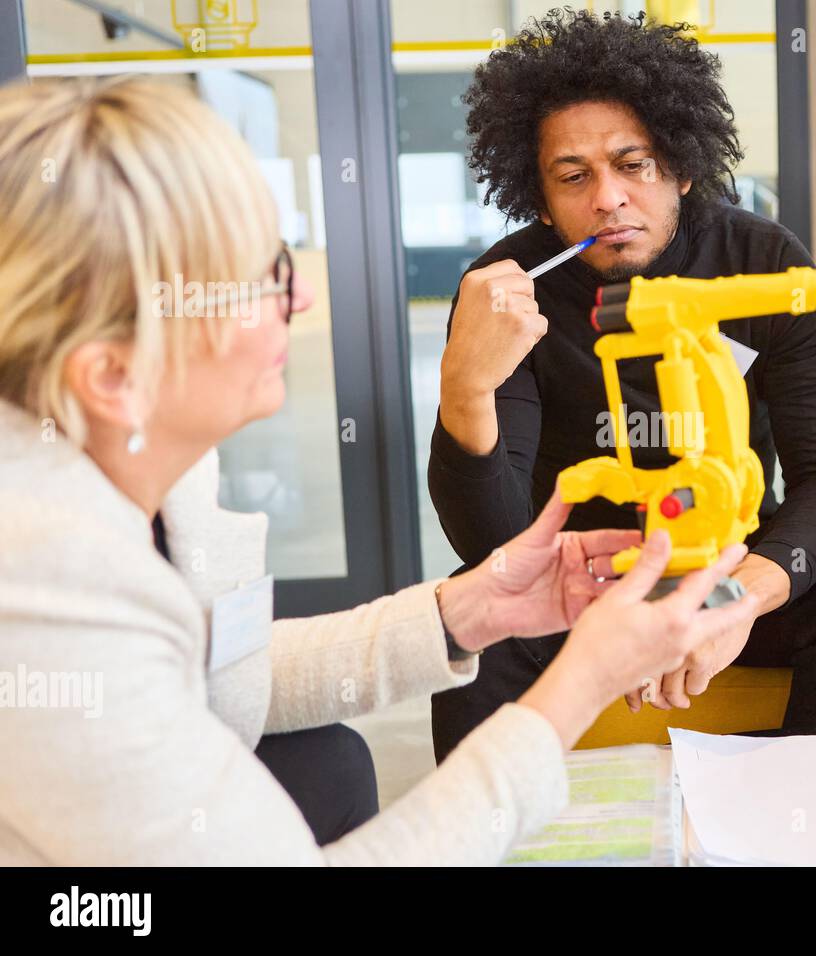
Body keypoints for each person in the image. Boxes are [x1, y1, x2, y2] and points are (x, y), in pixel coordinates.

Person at [0, 76, 759, 864]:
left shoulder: (151, 471)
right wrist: (584, 681)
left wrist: (471, 609)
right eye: (260, 283)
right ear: (113, 375)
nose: (295, 305)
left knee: (320, 762)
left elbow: (224, 673)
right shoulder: (46, 592)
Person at [426, 9, 816, 761]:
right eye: (573, 176)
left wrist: (737, 597)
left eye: (635, 164)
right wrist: (464, 387)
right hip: (577, 573)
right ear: (541, 195)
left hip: (730, 555)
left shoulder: (763, 262)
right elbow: (492, 545)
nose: (608, 198)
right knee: (466, 620)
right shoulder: (508, 292)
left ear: (684, 165)